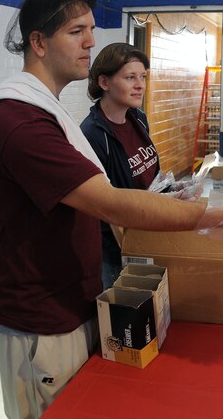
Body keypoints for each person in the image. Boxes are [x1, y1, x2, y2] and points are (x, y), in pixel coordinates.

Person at [0, 0, 223, 419]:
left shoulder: (46, 113)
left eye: (91, 29)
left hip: (71, 301)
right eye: (76, 31)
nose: (91, 41)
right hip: (40, 316)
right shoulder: (21, 122)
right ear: (38, 42)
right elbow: (114, 205)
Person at [81, 43, 158, 289]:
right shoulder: (93, 134)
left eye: (143, 77)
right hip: (116, 249)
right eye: (130, 77)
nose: (140, 85)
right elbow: (103, 204)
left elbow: (149, 176)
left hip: (147, 230)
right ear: (104, 82)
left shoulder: (138, 119)